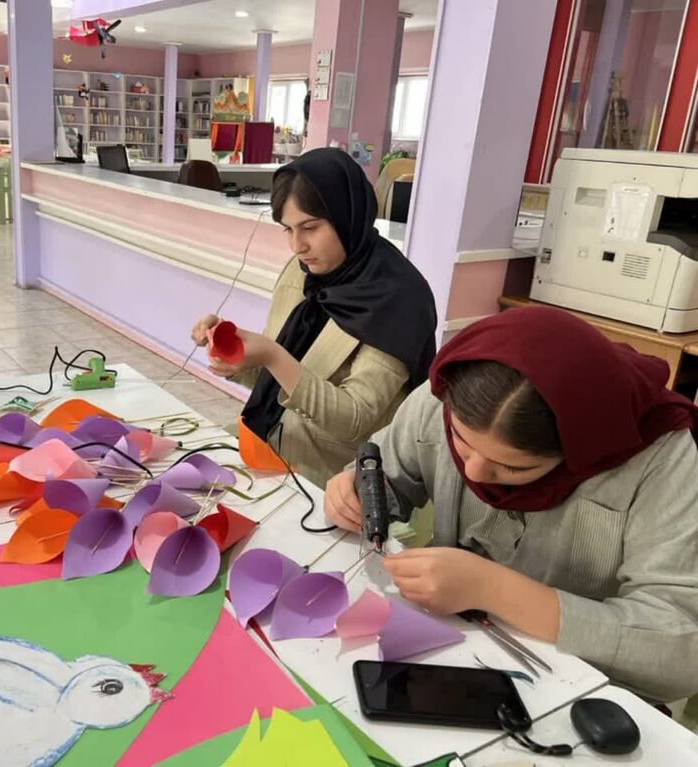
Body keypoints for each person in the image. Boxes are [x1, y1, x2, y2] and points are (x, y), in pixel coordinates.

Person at [323, 306, 698, 702]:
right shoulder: (443, 399)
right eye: (460, 441)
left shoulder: (661, 462)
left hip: (575, 689)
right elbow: (385, 472)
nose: (474, 472)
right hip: (449, 651)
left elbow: (681, 650)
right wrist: (354, 494)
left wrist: (495, 590)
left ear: (579, 451)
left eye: (514, 468)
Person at [190, 148, 436, 488]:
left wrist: (272, 356)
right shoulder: (302, 273)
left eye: (310, 227)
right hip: (268, 443)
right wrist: (235, 354)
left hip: (339, 479)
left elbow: (354, 419)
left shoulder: (398, 298)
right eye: (287, 229)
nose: (297, 246)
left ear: (346, 215)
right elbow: (276, 380)